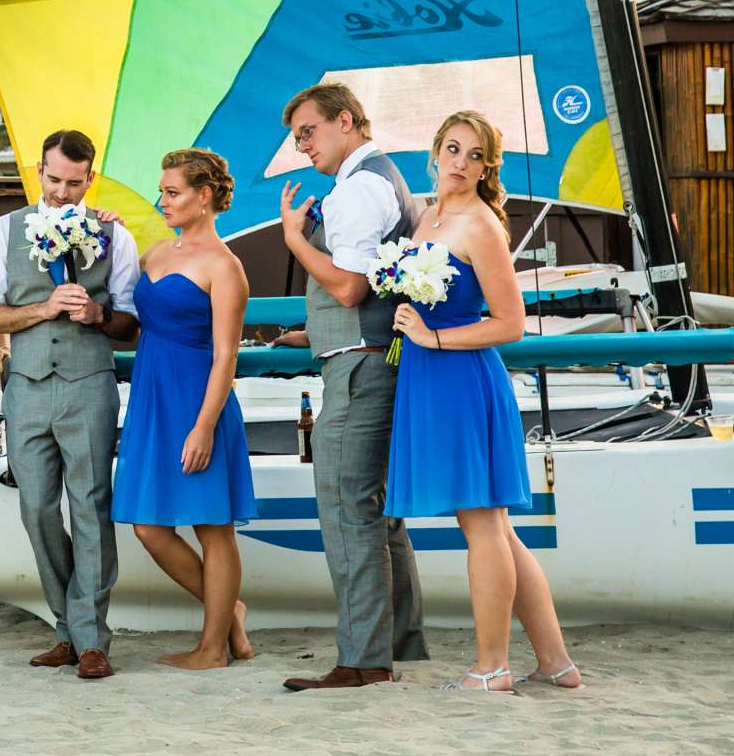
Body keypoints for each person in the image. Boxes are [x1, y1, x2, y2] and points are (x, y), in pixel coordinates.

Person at [388, 111, 581, 693]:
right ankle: (555, 663)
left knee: (484, 525)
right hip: (427, 376)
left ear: (487, 167)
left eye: (476, 156)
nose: (461, 163)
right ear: (435, 150)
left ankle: (492, 665)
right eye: (453, 149)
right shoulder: (428, 216)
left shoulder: (480, 226)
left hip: (463, 377)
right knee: (496, 527)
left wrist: (434, 337)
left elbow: (512, 323)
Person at [0, 128, 140, 680]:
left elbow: (131, 324)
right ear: (39, 171)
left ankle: (92, 641)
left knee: (90, 507)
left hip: (89, 384)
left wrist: (98, 317)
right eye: (54, 179)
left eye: (74, 182)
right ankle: (67, 628)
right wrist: (43, 310)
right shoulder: (4, 231)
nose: (63, 192)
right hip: (28, 386)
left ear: (90, 178)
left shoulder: (115, 235)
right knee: (36, 509)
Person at [273, 81, 427, 691]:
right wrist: (308, 332)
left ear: (345, 121)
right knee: (378, 512)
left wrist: (291, 238)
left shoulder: (359, 188)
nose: (301, 145)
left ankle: (363, 662)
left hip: (360, 363)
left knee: (346, 510)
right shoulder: (379, 181)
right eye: (296, 137)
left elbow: (350, 288)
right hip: (374, 355)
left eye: (307, 132)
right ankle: (396, 646)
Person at [116, 148, 254, 671]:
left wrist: (203, 427)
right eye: (163, 190)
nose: (162, 201)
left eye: (172, 192)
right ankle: (230, 614)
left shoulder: (226, 266)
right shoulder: (153, 255)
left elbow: (226, 357)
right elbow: (130, 321)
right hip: (153, 402)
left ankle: (213, 646)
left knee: (212, 525)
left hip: (200, 404)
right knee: (149, 526)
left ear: (204, 197)